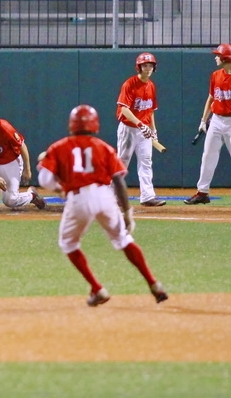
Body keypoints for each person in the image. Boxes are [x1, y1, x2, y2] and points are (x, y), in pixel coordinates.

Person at [37, 104, 168, 307]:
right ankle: (154, 283)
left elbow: (45, 179)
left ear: (71, 125)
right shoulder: (104, 147)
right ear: (95, 124)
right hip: (104, 196)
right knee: (124, 239)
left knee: (69, 244)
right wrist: (126, 212)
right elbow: (118, 181)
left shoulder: (59, 147)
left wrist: (60, 188)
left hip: (78, 199)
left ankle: (97, 288)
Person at [185, 43, 231, 206]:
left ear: (227, 58)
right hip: (216, 119)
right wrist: (203, 120)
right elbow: (211, 98)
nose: (216, 57)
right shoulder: (215, 75)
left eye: (218, 55)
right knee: (208, 155)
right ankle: (202, 192)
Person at [116, 52, 165, 208]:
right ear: (139, 67)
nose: (148, 68)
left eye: (150, 65)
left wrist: (153, 130)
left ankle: (148, 196)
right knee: (122, 162)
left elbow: (150, 110)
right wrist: (140, 124)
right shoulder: (129, 84)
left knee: (146, 161)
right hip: (128, 129)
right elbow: (124, 109)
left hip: (144, 130)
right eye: (145, 65)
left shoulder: (151, 85)